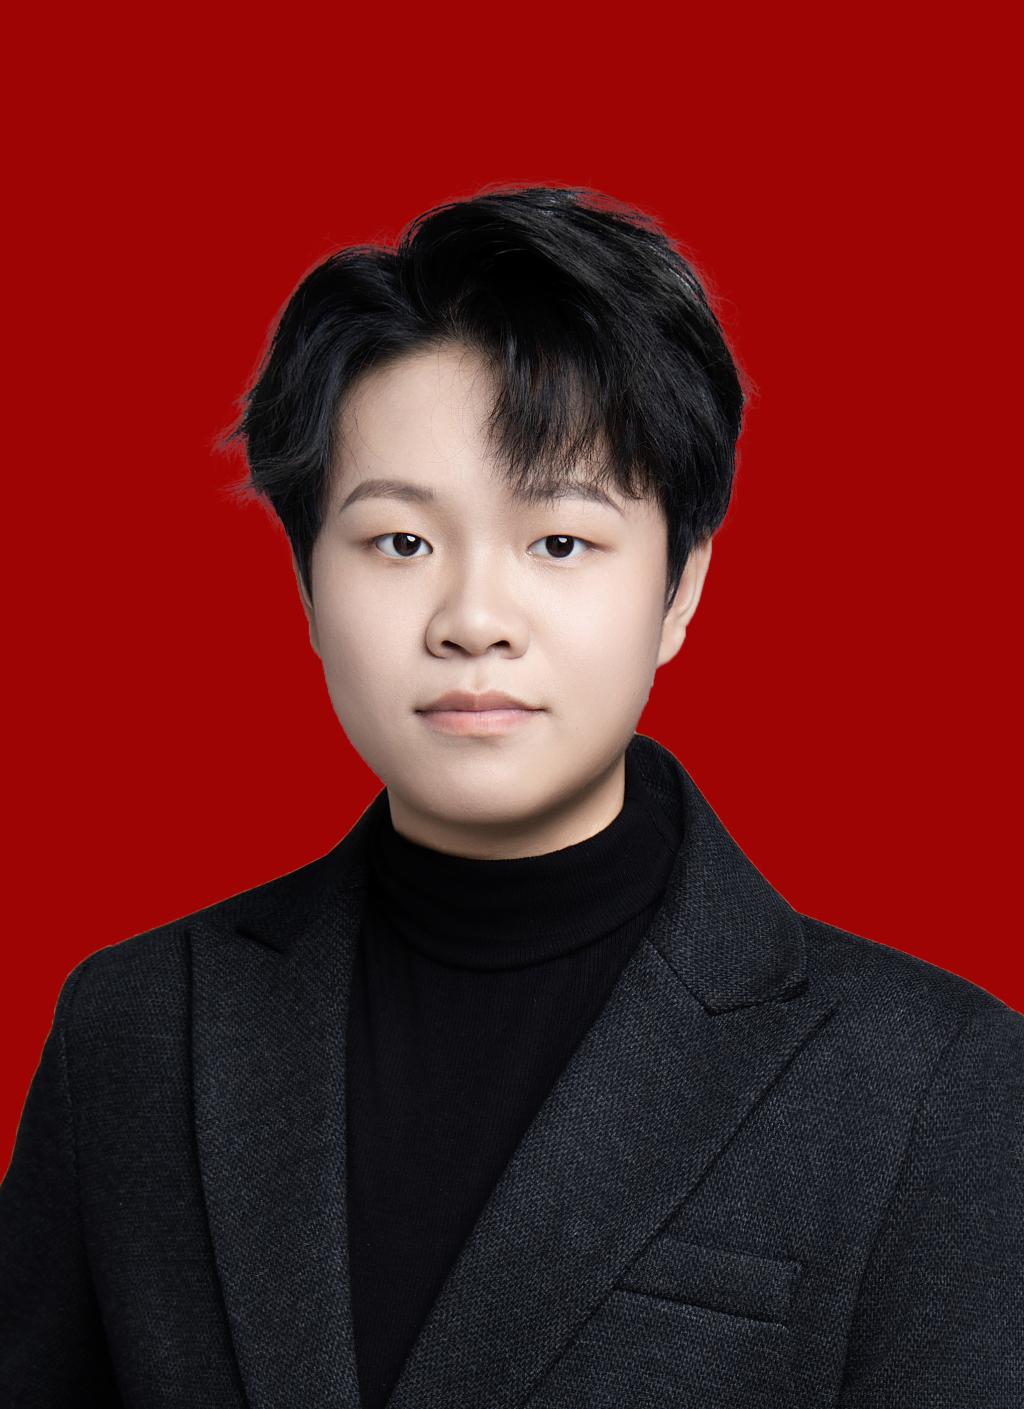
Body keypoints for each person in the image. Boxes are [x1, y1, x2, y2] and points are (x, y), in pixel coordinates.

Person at [1, 184, 1021, 1409]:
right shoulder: (136, 1026)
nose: (473, 620)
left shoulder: (931, 1080)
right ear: (306, 585)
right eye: (400, 542)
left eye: (558, 541)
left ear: (680, 587)